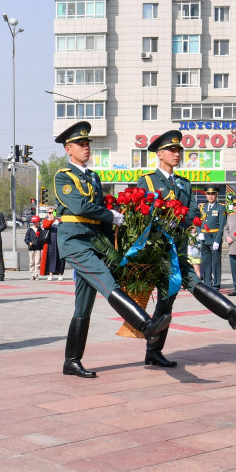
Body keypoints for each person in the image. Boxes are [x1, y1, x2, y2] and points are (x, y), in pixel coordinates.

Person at [54, 121, 173, 378]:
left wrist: (117, 247)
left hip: (95, 243)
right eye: (80, 144)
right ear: (68, 149)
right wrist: (110, 215)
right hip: (75, 243)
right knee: (107, 283)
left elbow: (101, 220)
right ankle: (145, 324)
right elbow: (81, 208)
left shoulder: (93, 177)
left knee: (82, 307)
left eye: (87, 144)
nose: (86, 148)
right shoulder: (63, 176)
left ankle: (71, 361)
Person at [136, 130, 236, 369]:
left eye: (179, 150)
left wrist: (180, 220)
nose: (176, 153)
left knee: (167, 301)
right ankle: (230, 313)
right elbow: (145, 210)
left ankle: (153, 351)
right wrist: (166, 220)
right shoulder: (148, 180)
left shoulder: (184, 183)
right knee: (187, 284)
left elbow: (193, 211)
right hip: (158, 248)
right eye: (172, 150)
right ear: (159, 154)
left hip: (178, 246)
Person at [198, 185, 227, 290]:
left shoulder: (221, 207)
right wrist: (199, 232)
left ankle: (216, 284)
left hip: (214, 239)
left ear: (216, 195)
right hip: (204, 238)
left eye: (213, 194)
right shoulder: (202, 207)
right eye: (208, 194)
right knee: (205, 262)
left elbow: (222, 226)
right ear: (206, 195)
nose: (210, 196)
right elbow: (197, 221)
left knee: (215, 263)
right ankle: (207, 282)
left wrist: (218, 240)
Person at [24, 216, 45, 280]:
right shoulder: (30, 230)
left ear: (38, 222)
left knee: (37, 262)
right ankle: (32, 274)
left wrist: (42, 247)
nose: (34, 223)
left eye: (36, 222)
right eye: (33, 222)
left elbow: (42, 239)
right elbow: (26, 239)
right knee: (31, 262)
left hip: (38, 248)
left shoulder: (40, 230)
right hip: (31, 248)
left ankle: (36, 275)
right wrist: (29, 242)